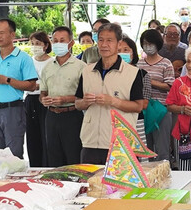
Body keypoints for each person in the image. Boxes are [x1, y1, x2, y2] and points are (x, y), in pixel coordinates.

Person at [75, 23, 144, 164]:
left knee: (120, 186)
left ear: (118, 43)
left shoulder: (133, 73)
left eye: (109, 40)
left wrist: (113, 101)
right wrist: (85, 102)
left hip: (120, 142)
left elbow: (138, 106)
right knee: (91, 183)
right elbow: (77, 103)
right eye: (101, 40)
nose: (104, 44)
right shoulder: (87, 71)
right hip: (90, 141)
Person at [0, 19, 37, 158]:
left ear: (12, 35)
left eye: (1, 33)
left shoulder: (23, 58)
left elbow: (31, 85)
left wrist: (7, 80)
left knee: (14, 155)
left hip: (13, 110)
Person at [40, 26, 85, 166]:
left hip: (72, 116)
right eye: (55, 41)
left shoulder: (81, 67)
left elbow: (85, 96)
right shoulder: (48, 67)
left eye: (62, 40)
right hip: (51, 117)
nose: (58, 44)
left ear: (71, 43)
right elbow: (42, 92)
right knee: (53, 157)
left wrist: (65, 99)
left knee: (73, 156)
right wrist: (44, 100)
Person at [137, 30, 175, 162]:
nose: (148, 46)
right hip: (144, 109)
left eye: (151, 43)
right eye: (145, 43)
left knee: (162, 149)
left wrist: (149, 81)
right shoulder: (139, 63)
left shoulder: (166, 63)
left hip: (161, 110)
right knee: (145, 148)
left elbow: (170, 86)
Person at [118, 37, 152, 149]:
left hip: (136, 120)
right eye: (118, 50)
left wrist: (117, 102)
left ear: (133, 52)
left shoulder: (142, 74)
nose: (122, 53)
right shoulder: (109, 73)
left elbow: (144, 104)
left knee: (137, 154)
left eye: (126, 50)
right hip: (114, 120)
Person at [25, 31, 52, 166]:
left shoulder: (52, 62)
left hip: (45, 100)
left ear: (46, 45)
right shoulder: (28, 61)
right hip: (30, 100)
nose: (35, 46)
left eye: (38, 43)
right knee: (32, 136)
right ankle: (34, 166)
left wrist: (37, 86)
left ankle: (46, 166)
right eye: (33, 43)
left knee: (45, 136)